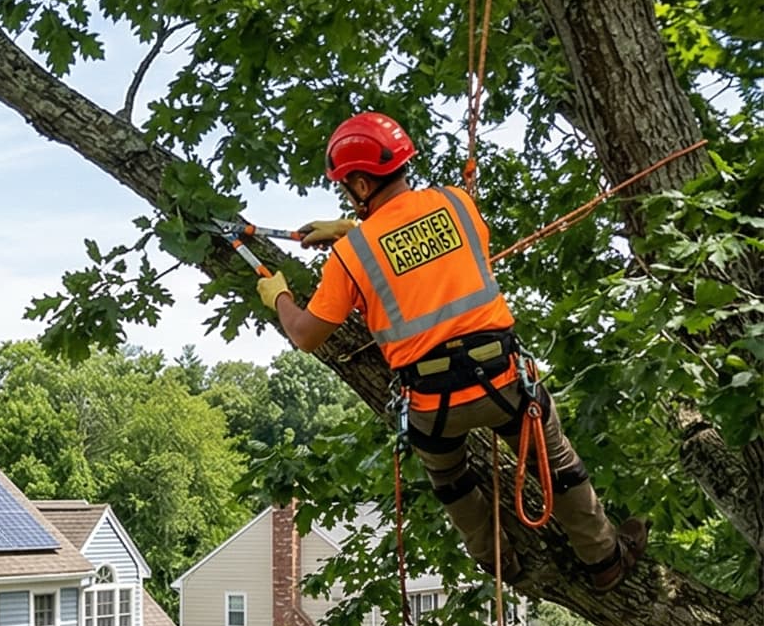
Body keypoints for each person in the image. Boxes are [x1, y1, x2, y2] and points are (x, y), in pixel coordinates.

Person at [257, 110, 644, 590]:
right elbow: (427, 255)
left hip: (433, 405)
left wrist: (280, 297)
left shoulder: (351, 256)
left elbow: (307, 334)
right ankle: (603, 558)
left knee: (452, 480)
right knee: (556, 461)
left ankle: (496, 558)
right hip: (504, 382)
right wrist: (350, 228)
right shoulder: (458, 204)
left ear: (359, 185)